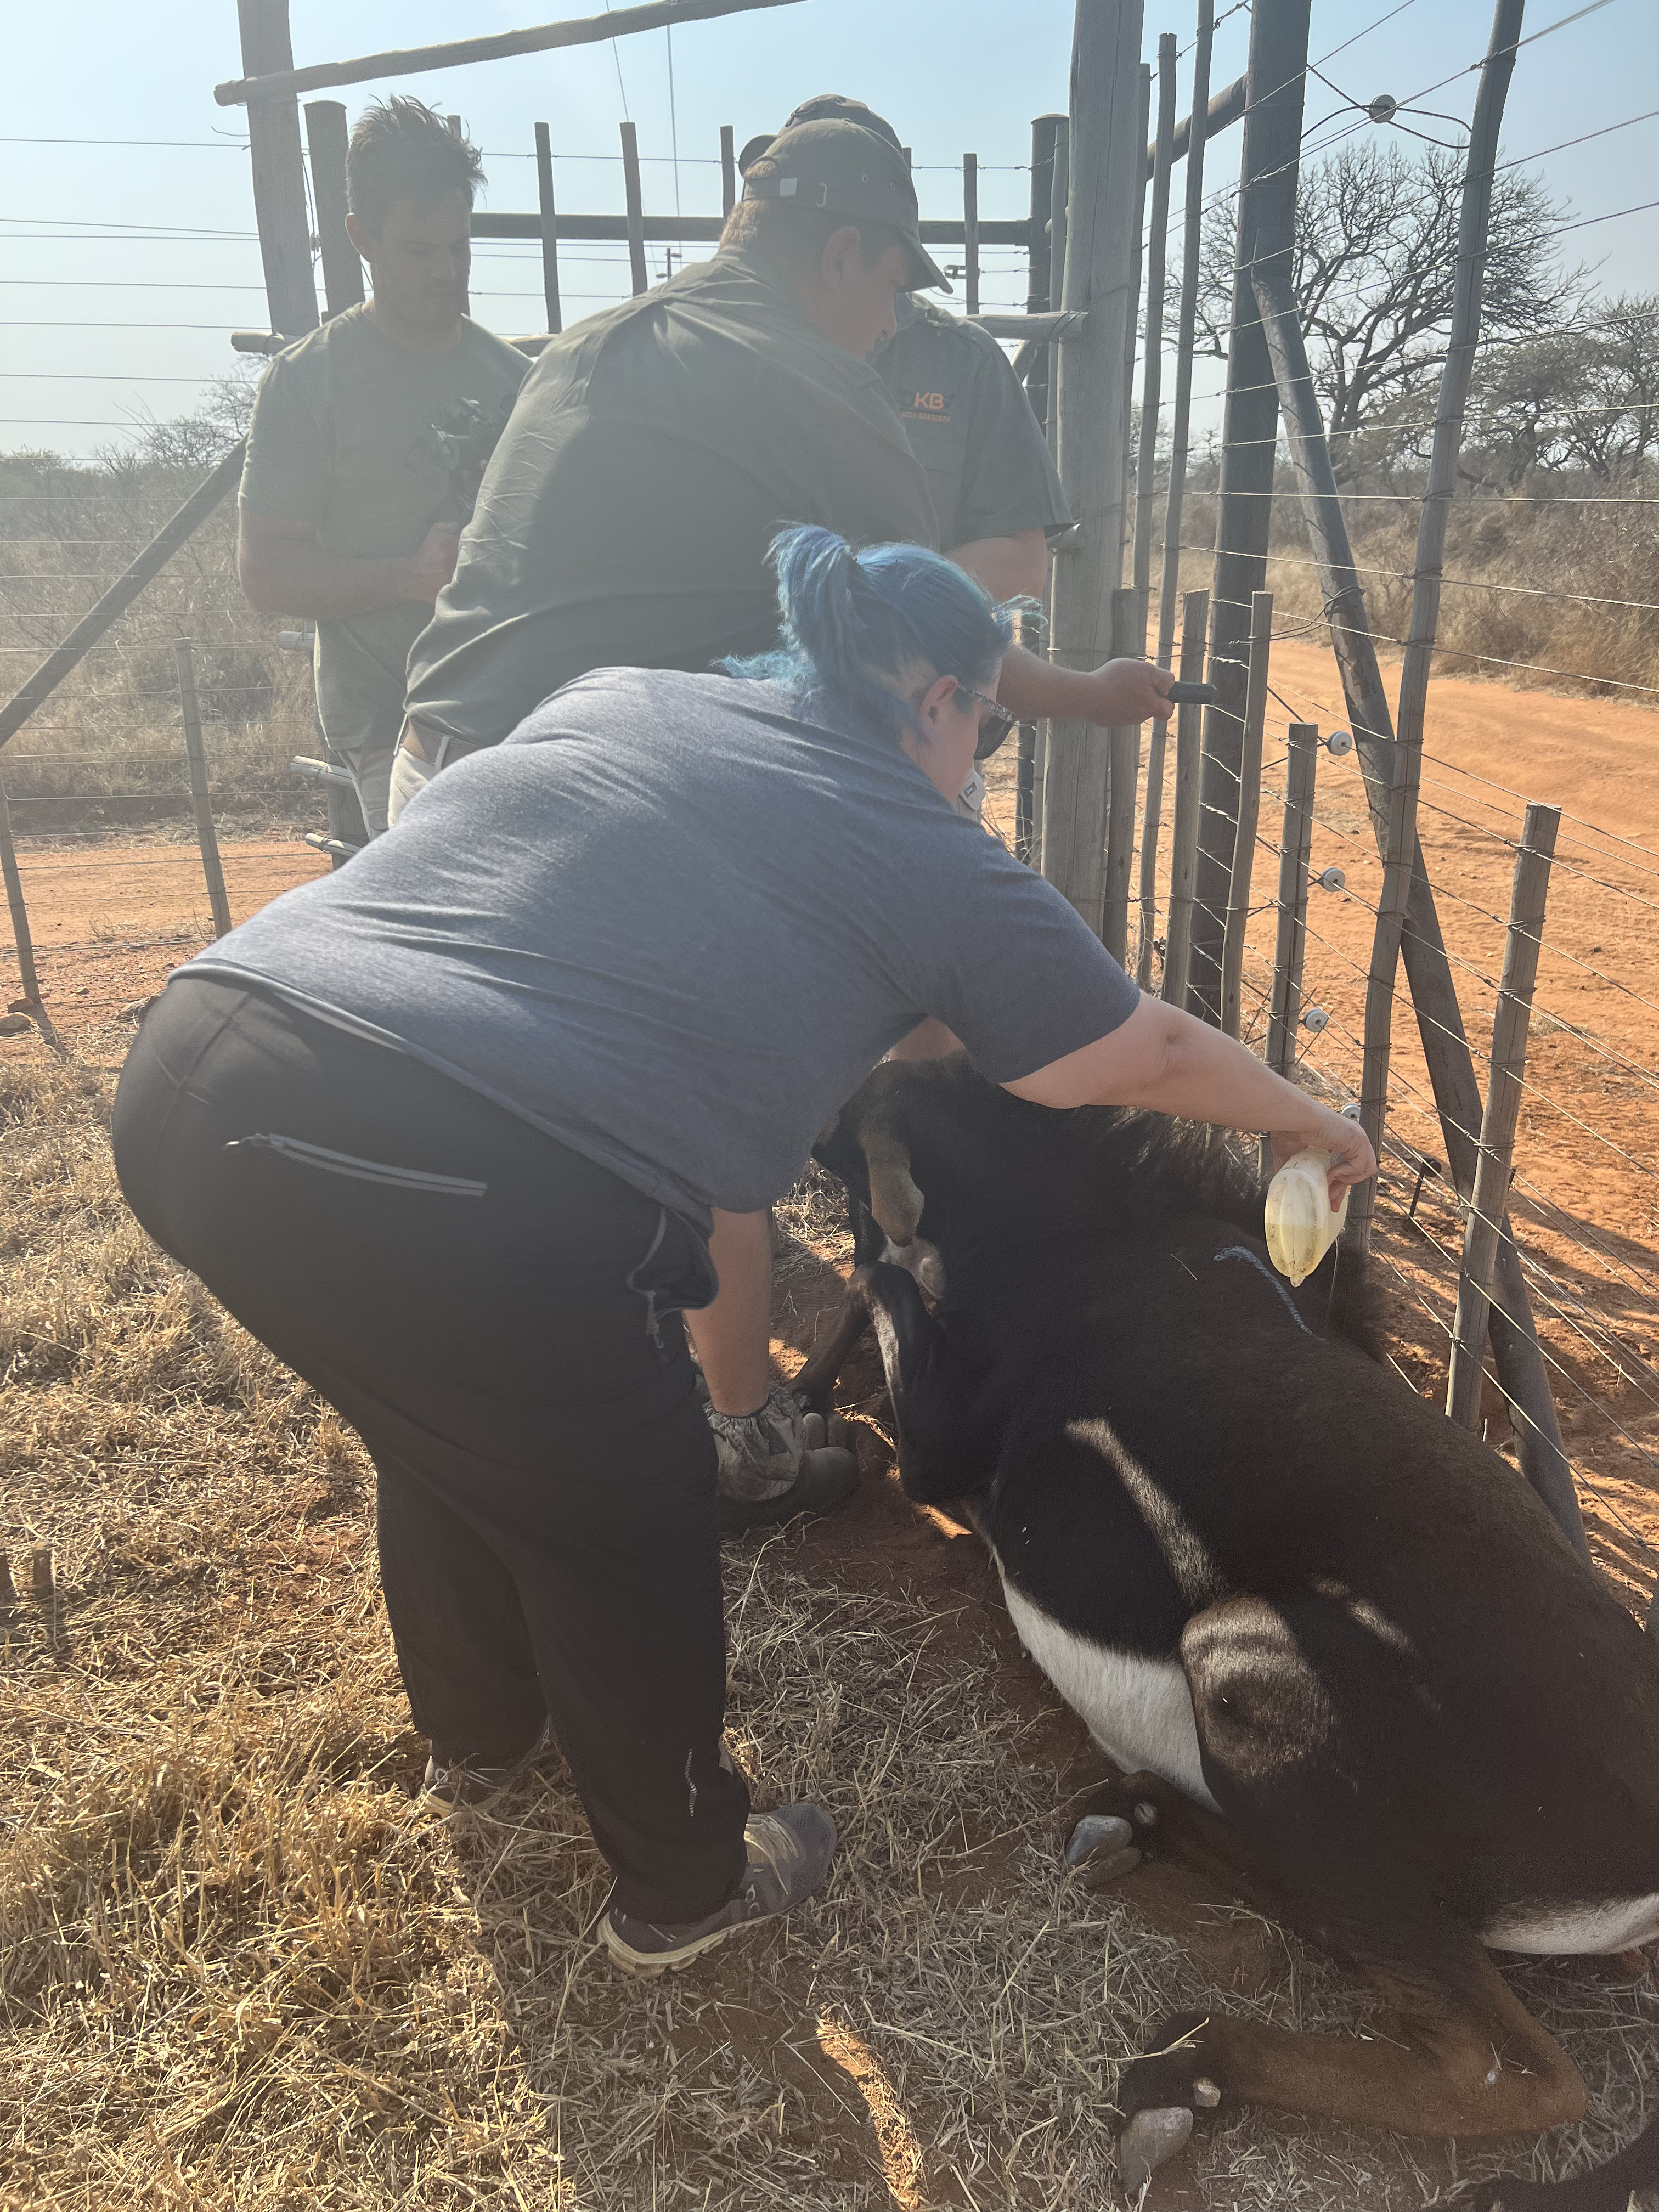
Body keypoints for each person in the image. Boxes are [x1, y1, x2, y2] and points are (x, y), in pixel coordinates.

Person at [112, 525, 1376, 1977]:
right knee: (627, 1508)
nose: (984, 759)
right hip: (452, 1169)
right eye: (992, 727)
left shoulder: (634, 696)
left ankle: (481, 1734)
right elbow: (1132, 1051)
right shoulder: (928, 849)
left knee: (444, 1415)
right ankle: (686, 1883)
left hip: (205, 1065)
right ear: (943, 702)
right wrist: (1307, 1120)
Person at [388, 118, 1167, 825]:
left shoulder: (588, 342)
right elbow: (923, 647)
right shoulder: (824, 390)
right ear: (841, 257)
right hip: (569, 808)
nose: (892, 324)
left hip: (429, 769)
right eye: (892, 288)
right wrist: (1087, 693)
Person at [236, 99, 529, 837]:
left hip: (519, 710)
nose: (448, 272)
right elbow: (266, 573)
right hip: (390, 723)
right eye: (419, 251)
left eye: (460, 247)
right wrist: (407, 576)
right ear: (360, 239)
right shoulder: (309, 383)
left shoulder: (518, 380)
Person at [746, 95, 1070, 603]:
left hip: (909, 652)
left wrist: (861, 603)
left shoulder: (964, 360)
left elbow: (1022, 565)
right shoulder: (723, 350)